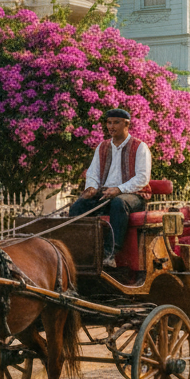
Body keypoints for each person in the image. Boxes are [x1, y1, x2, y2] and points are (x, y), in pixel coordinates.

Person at [69, 108, 151, 268]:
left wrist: (119, 189)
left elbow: (142, 178)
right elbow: (93, 173)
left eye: (116, 123)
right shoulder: (102, 147)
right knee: (78, 207)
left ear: (126, 124)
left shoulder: (140, 147)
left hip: (134, 195)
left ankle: (110, 254)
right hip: (106, 193)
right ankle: (82, 252)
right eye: (109, 123)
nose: (111, 126)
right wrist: (91, 187)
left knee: (119, 203)